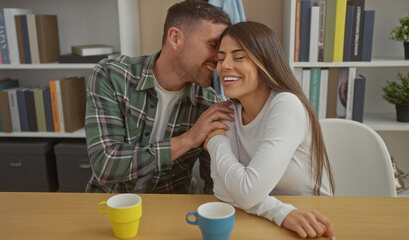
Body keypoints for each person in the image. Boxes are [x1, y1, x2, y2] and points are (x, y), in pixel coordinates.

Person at [85, 0, 234, 194]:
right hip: (110, 203)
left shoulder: (210, 105)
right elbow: (105, 165)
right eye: (213, 45)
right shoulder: (111, 77)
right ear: (175, 38)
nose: (219, 58)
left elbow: (214, 185)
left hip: (172, 207)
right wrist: (188, 139)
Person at [204, 21, 336, 239]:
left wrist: (216, 142)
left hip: (312, 221)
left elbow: (246, 192)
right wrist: (280, 212)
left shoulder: (286, 105)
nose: (224, 66)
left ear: (264, 61)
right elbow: (223, 190)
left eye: (238, 57)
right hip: (264, 221)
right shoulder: (228, 111)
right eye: (220, 58)